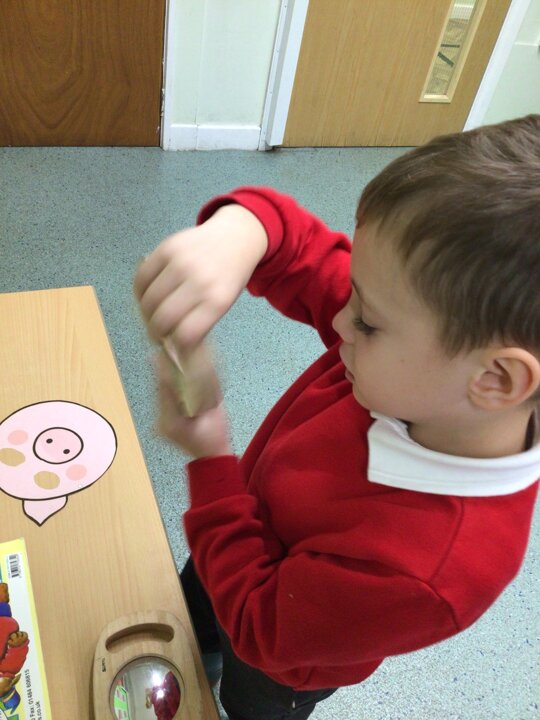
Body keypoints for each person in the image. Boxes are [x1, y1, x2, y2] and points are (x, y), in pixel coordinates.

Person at [134, 114, 540, 720]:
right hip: (238, 526)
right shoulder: (431, 365)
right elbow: (297, 246)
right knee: (196, 611)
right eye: (353, 293)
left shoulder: (429, 573)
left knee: (247, 696)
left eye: (368, 322)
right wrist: (242, 232)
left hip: (279, 660)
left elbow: (261, 628)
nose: (341, 320)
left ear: (496, 379)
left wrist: (210, 458)